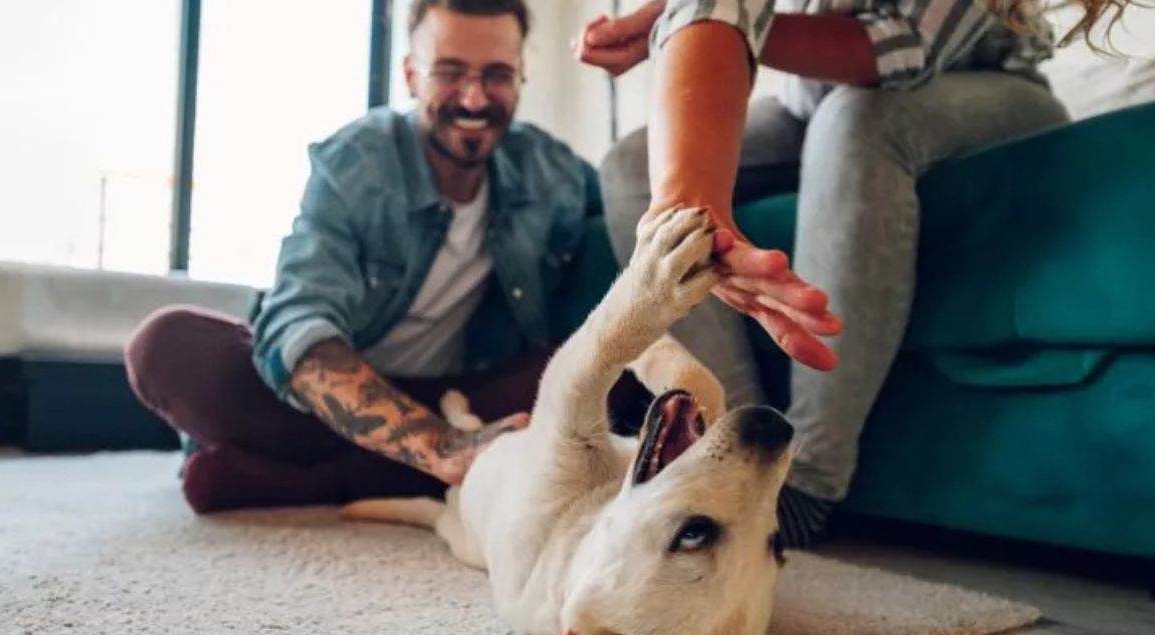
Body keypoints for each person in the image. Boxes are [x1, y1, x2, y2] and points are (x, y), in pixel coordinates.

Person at [580, 0, 1087, 547]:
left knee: (855, 119)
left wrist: (714, 18)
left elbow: (898, 47)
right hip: (817, 100)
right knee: (632, 162)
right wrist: (667, 19)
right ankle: (733, 447)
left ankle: (809, 480)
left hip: (985, 86)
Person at [125, 0, 627, 514]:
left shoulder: (553, 172)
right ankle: (411, 475)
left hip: (467, 400)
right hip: (329, 405)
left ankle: (311, 483)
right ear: (412, 75)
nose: (474, 98)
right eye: (450, 73)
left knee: (608, 369)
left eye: (497, 75)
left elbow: (630, 251)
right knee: (164, 344)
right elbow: (297, 325)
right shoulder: (357, 163)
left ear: (521, 77)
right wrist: (441, 447)